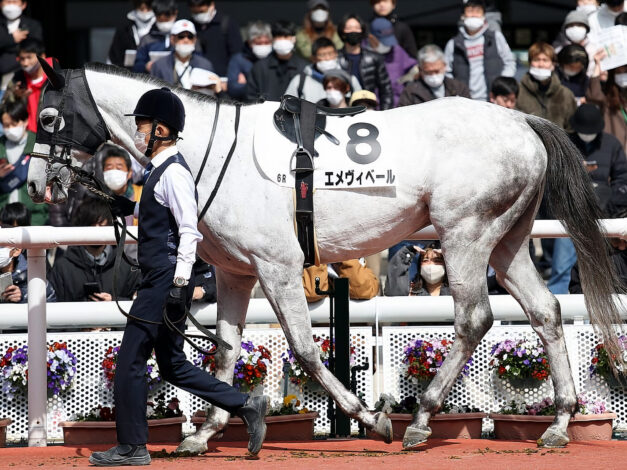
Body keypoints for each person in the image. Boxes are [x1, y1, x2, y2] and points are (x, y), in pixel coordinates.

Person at [89, 87, 267, 466]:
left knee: (130, 362)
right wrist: (128, 205)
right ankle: (245, 404)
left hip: (166, 280)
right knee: (172, 365)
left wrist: (180, 283)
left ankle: (133, 447)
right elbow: (159, 214)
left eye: (142, 126)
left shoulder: (174, 173)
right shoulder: (158, 171)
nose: (137, 133)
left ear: (162, 130)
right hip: (163, 277)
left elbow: (189, 231)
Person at [48, 197, 140, 303]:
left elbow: (142, 303)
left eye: (101, 224)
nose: (97, 229)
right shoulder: (62, 267)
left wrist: (114, 301)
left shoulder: (128, 267)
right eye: (91, 224)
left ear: (110, 225)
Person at [444, 0, 516, 102]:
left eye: (478, 11)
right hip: (464, 101)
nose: (474, 14)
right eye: (470, 11)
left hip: (492, 101)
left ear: (484, 15)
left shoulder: (495, 37)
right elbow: (446, 71)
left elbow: (510, 62)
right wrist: (456, 91)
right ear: (463, 16)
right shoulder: (453, 44)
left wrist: (501, 86)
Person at [570, 104, 627, 214]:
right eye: (583, 132)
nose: (587, 136)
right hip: (572, 201)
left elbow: (622, 177)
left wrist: (610, 204)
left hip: (603, 202)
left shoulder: (611, 144)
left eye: (590, 133)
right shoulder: (566, 143)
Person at [0, 99, 47, 225]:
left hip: (34, 218)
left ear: (25, 121)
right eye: (6, 125)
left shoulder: (39, 145)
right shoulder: (1, 146)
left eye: (14, 124)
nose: (10, 129)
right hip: (4, 218)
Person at [516, 42, 577, 132]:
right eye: (536, 60)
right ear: (530, 63)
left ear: (553, 64)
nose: (541, 64)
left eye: (545, 60)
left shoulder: (566, 94)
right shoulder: (518, 91)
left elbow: (571, 129)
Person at [337, 14, 393, 110]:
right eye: (349, 28)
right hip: (342, 110)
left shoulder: (375, 58)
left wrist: (384, 112)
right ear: (342, 32)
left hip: (368, 108)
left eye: (357, 28)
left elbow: (386, 89)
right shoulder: (335, 58)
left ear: (362, 31)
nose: (353, 31)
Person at [246, 20, 308, 102]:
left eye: (286, 37)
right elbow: (251, 97)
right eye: (278, 37)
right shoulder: (260, 67)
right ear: (273, 39)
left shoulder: (303, 67)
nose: (282, 40)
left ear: (294, 39)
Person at [285, 37, 360, 102]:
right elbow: (288, 104)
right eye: (322, 55)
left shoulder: (350, 80)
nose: (327, 58)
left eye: (330, 54)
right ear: (313, 58)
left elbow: (360, 105)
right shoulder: (300, 81)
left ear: (336, 54)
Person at [398, 44, 470, 107]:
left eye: (437, 71)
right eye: (428, 72)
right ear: (420, 70)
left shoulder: (459, 88)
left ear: (444, 66)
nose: (433, 75)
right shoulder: (410, 92)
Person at [149, 19, 214, 89]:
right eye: (181, 36)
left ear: (195, 40)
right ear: (172, 39)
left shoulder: (205, 65)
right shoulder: (159, 66)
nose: (186, 40)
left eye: (190, 37)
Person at [8, 38, 54, 133]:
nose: (25, 63)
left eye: (29, 57)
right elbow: (6, 112)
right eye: (22, 59)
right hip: (26, 137)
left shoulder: (56, 78)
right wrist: (15, 97)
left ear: (42, 57)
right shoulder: (16, 80)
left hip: (50, 137)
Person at [368, 17, 416, 107]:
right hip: (373, 107)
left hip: (398, 106)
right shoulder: (362, 54)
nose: (388, 45)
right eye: (383, 41)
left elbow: (414, 67)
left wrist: (412, 74)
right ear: (371, 37)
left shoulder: (396, 50)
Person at [188, 0, 243, 78]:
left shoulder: (227, 24)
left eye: (201, 12)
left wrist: (232, 77)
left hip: (224, 79)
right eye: (195, 13)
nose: (198, 15)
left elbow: (237, 54)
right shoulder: (190, 26)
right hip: (197, 79)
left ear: (211, 5)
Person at [0, 0, 42, 97]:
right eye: (8, 2)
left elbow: (36, 48)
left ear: (23, 5)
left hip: (26, 79)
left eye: (14, 2)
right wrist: (12, 39)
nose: (11, 6)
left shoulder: (33, 25)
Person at [226, 21, 272, 101]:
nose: (263, 45)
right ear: (250, 42)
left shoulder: (275, 58)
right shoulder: (239, 59)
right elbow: (233, 88)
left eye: (266, 42)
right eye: (259, 43)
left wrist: (247, 84)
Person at [586, 65, 627, 149]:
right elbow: (594, 94)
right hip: (617, 151)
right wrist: (597, 66)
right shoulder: (608, 99)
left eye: (625, 72)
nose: (622, 75)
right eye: (618, 72)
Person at [132, 0, 178, 74]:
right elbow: (137, 65)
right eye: (160, 20)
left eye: (166, 19)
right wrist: (145, 66)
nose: (164, 23)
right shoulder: (147, 39)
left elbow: (196, 58)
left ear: (175, 13)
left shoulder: (185, 36)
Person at [108, 0, 156, 69]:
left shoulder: (159, 29)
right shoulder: (124, 30)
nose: (145, 12)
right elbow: (114, 56)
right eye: (142, 9)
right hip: (128, 75)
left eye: (148, 9)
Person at [553, 10, 598, 78]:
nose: (575, 28)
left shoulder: (595, 49)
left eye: (579, 25)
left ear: (587, 28)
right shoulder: (556, 50)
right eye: (571, 25)